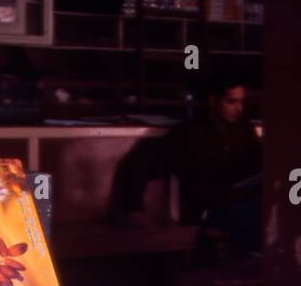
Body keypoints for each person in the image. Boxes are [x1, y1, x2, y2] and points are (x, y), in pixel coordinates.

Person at [111, 73, 262, 258]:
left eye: (241, 102)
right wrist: (133, 208)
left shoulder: (244, 131)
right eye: (232, 102)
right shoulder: (189, 134)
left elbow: (258, 167)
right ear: (213, 100)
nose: (239, 109)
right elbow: (140, 164)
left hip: (243, 203)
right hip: (208, 212)